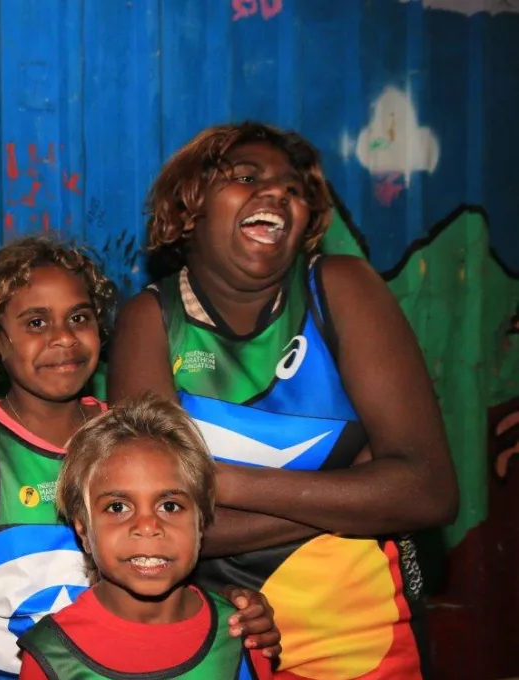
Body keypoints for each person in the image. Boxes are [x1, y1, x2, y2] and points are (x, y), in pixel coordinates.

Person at [108, 121, 458, 678]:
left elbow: (431, 492)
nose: (276, 193)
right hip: (223, 639)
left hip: (365, 636)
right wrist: (358, 495)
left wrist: (225, 483)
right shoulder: (149, 321)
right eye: (246, 177)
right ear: (189, 209)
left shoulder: (341, 287)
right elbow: (156, 526)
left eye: (294, 189)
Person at [0, 238, 279, 680]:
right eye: (36, 322)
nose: (63, 336)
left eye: (79, 317)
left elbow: (174, 551)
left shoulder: (130, 435)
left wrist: (234, 606)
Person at [17, 394, 273, 680]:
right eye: (118, 507)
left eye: (170, 506)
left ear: (201, 521)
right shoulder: (53, 654)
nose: (148, 526)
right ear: (83, 530)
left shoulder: (242, 634)